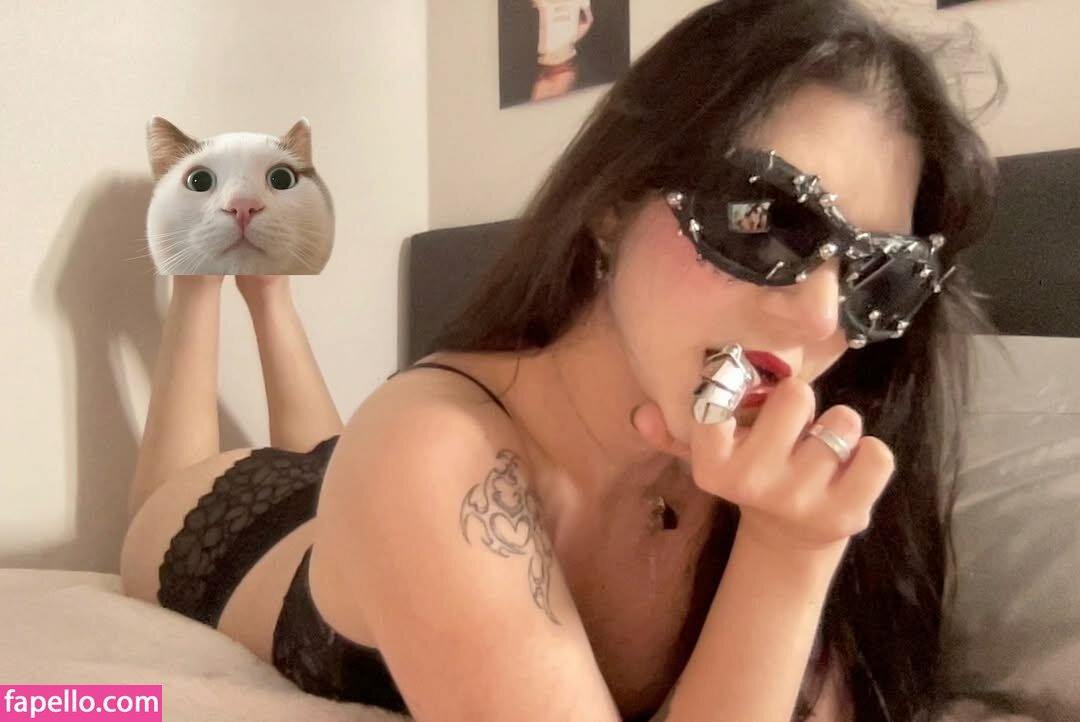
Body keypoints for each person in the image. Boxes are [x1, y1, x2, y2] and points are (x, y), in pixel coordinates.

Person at [119, 1, 1001, 720]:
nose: (818, 315)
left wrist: (795, 539)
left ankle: (270, 296)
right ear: (613, 204)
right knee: (214, 485)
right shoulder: (434, 449)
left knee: (344, 456)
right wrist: (784, 558)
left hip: (368, 489)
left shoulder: (804, 467)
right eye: (764, 221)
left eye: (881, 275)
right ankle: (204, 285)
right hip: (243, 525)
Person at [530, 0, 594, 101]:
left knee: (551, 106)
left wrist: (572, 39)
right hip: (546, 68)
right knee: (538, 107)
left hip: (564, 67)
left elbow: (588, 20)